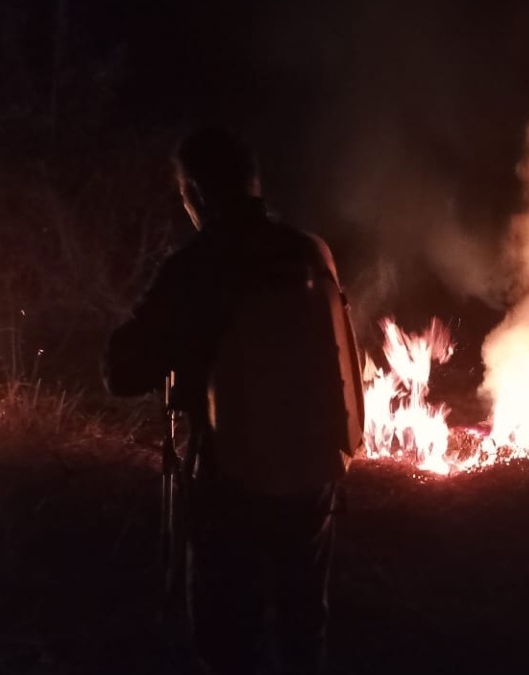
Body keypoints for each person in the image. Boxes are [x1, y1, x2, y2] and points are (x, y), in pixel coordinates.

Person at [104, 127, 364, 675]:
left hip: (231, 480)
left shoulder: (199, 265)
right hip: (315, 469)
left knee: (229, 635)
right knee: (302, 624)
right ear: (253, 183)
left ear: (196, 191)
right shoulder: (311, 251)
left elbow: (123, 371)